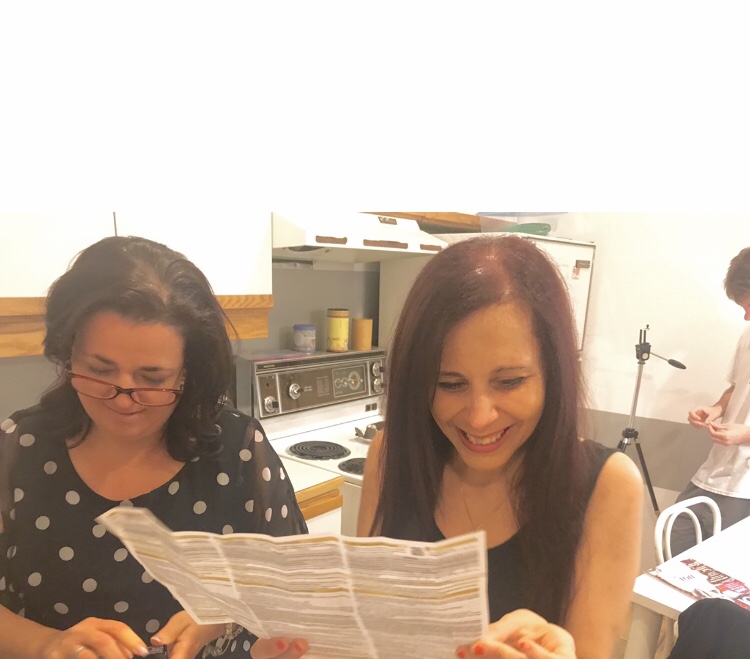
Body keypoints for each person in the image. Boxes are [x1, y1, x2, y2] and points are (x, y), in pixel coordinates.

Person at [0, 236, 309, 659]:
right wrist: (45, 643)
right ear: (68, 352)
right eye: (99, 370)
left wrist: (225, 614)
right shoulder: (19, 446)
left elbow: (292, 586)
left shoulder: (237, 449)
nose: (124, 398)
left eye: (152, 378)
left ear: (187, 372)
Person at [358, 234, 644, 658]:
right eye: (450, 384)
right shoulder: (389, 457)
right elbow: (368, 631)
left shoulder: (608, 485)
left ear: (554, 372)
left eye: (509, 382)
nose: (479, 417)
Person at [671, 246, 750, 556]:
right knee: (676, 540)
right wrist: (715, 409)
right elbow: (737, 387)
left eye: (748, 305)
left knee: (721, 567)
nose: (746, 316)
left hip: (744, 487)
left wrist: (745, 435)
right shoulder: (748, 335)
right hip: (716, 469)